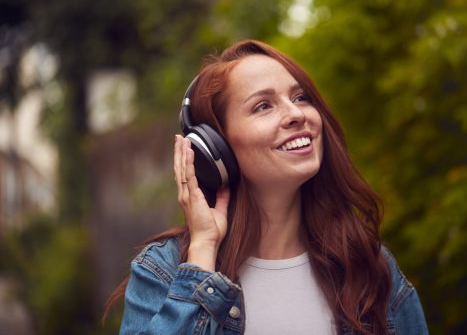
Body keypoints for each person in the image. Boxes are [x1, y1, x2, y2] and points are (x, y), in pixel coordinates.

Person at [107, 39, 428, 334]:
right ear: (214, 147)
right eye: (263, 106)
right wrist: (202, 251)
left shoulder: (366, 263)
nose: (296, 114)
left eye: (301, 98)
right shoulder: (163, 270)